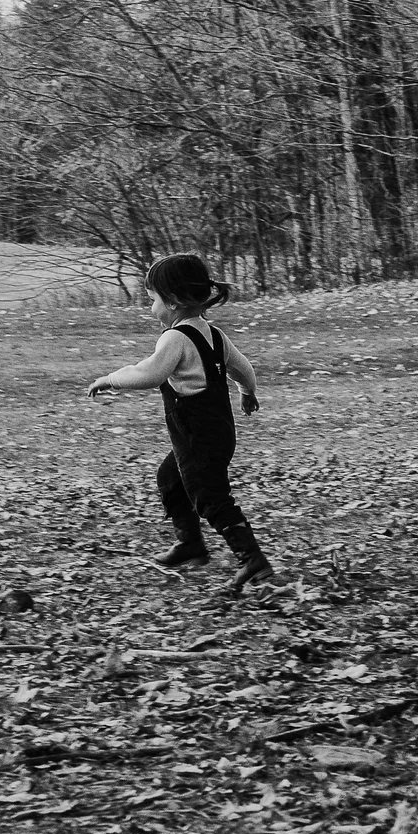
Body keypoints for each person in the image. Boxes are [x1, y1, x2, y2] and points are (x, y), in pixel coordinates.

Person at [88, 254, 277, 593]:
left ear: (173, 301)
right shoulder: (214, 335)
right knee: (171, 479)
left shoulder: (175, 339)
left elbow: (151, 373)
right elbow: (243, 368)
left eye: (152, 300)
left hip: (195, 435)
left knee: (210, 498)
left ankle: (252, 559)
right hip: (218, 432)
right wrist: (247, 392)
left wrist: (110, 379)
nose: (151, 309)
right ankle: (190, 543)